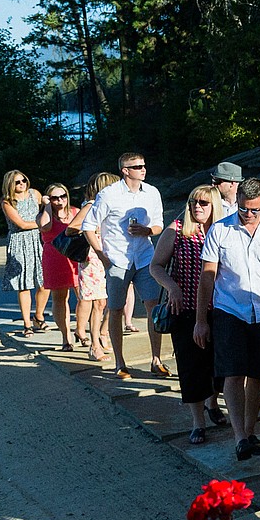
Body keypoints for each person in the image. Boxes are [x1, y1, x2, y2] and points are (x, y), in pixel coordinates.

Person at [194, 178, 260, 462]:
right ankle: (239, 437)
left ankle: (249, 431)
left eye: (255, 210)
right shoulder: (220, 230)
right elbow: (208, 277)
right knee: (233, 373)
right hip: (229, 310)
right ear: (237, 203)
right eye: (244, 209)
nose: (249, 215)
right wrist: (201, 320)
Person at [150, 185, 228, 444]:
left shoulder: (224, 230)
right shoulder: (178, 229)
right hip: (185, 309)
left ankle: (212, 403)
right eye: (194, 201)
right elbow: (156, 266)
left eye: (204, 203)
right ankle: (198, 421)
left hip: (220, 307)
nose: (197, 207)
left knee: (219, 365)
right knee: (191, 366)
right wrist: (172, 287)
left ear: (214, 205)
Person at [81, 153, 168, 379]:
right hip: (118, 258)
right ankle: (120, 362)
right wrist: (102, 255)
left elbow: (159, 224)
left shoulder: (152, 193)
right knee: (116, 309)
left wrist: (148, 231)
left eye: (144, 165)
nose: (143, 169)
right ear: (125, 170)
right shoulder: (109, 194)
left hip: (145, 256)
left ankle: (156, 359)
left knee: (153, 306)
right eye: (137, 166)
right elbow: (88, 226)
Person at [68, 172, 119, 360]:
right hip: (93, 258)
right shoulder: (91, 205)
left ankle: (103, 334)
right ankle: (95, 344)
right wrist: (93, 230)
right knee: (97, 302)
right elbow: (71, 228)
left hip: (110, 254)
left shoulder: (109, 205)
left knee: (108, 300)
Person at [0, 170, 44, 336]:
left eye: (23, 180)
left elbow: (45, 211)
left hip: (38, 240)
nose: (21, 184)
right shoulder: (7, 202)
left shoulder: (35, 194)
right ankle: (27, 324)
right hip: (19, 242)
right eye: (17, 182)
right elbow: (21, 224)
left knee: (44, 281)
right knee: (24, 285)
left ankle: (38, 316)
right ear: (10, 184)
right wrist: (42, 223)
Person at [36, 183, 80, 351]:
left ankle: (80, 330)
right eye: (55, 198)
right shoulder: (43, 216)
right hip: (54, 258)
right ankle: (65, 336)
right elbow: (46, 227)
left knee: (84, 297)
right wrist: (47, 205)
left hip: (75, 257)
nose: (60, 200)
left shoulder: (75, 212)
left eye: (63, 196)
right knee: (60, 298)